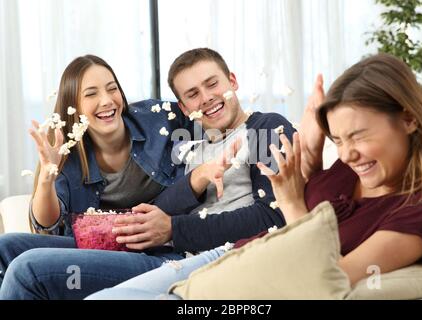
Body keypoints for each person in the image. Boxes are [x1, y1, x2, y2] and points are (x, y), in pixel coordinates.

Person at [87, 52, 422, 300]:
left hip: (245, 273)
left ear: (409, 119)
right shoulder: (351, 167)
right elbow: (317, 197)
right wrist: (309, 148)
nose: (346, 153)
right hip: (223, 257)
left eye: (358, 136)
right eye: (338, 139)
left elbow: (325, 273)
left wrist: (290, 202)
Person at [0, 48, 295, 299]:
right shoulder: (187, 142)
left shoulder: (263, 127)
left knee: (28, 269)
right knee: (7, 246)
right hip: (152, 248)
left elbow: (274, 216)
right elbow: (159, 212)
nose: (205, 98)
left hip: (182, 259)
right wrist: (197, 178)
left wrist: (173, 230)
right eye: (193, 94)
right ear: (183, 107)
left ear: (232, 81)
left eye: (212, 84)